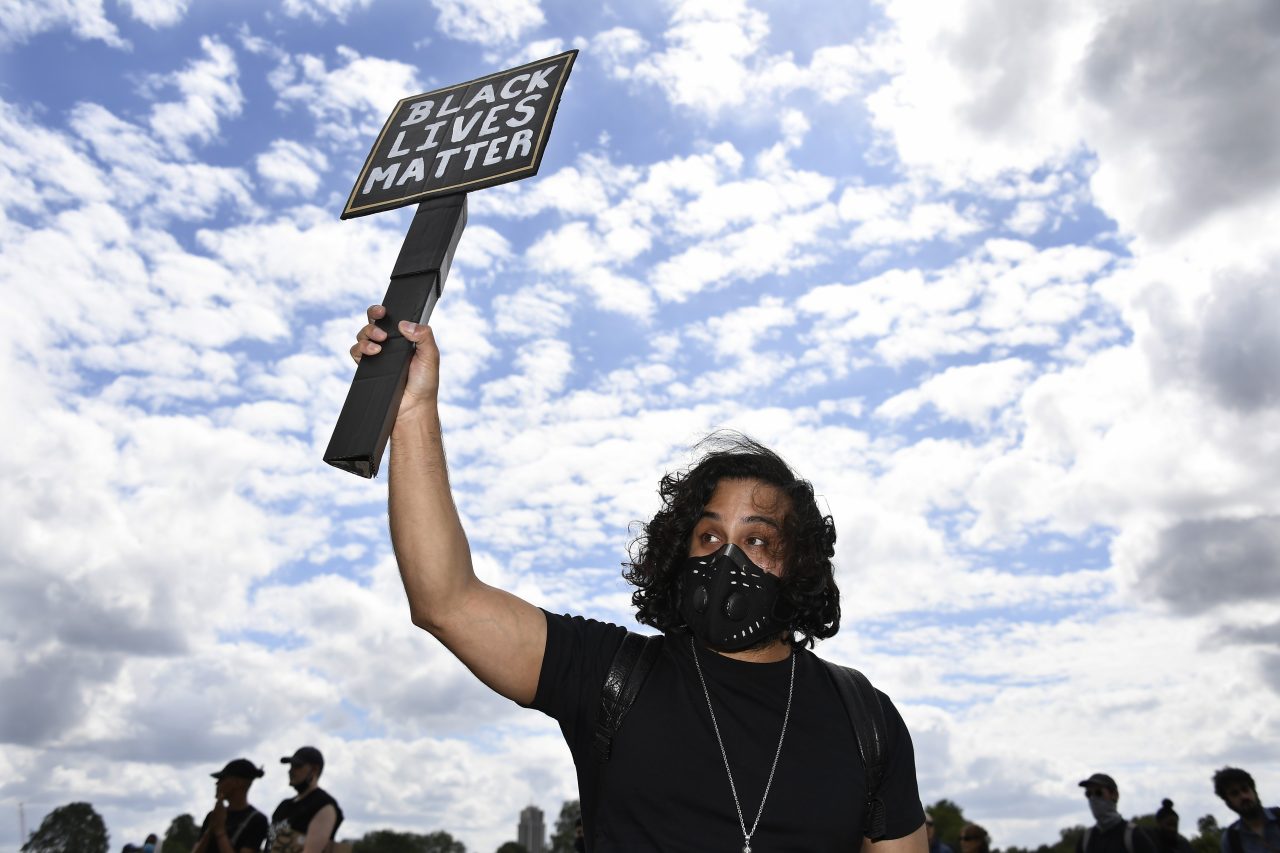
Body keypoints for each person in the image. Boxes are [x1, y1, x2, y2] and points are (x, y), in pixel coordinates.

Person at [350, 309, 928, 852]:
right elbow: (446, 601)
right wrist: (411, 412)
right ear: (679, 555)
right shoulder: (610, 674)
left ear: (796, 563)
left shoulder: (865, 719)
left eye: (756, 540)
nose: (727, 559)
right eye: (708, 537)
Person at [266, 747, 343, 853]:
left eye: (297, 766)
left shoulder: (323, 804)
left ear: (314, 770)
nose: (290, 770)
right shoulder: (284, 805)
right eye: (291, 766)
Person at [193, 758, 269, 853]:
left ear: (238, 783)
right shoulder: (213, 816)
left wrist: (220, 831)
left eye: (222, 779)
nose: (217, 783)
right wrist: (210, 829)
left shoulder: (257, 820)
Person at [1077, 773, 1156, 853]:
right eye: (1088, 794)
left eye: (1098, 793)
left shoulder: (1134, 836)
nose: (1093, 799)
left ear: (1115, 795)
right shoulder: (1085, 840)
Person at [1213, 767, 1280, 853]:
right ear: (1228, 802)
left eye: (1245, 789)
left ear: (1254, 791)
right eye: (1234, 793)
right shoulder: (1231, 839)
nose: (1243, 796)